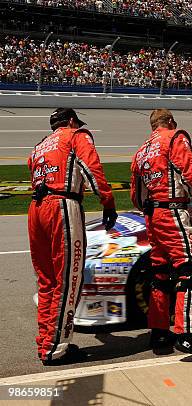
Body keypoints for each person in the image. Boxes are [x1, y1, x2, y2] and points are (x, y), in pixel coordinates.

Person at [28, 108, 117, 365]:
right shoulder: (77, 135)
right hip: (62, 206)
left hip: (36, 209)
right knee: (68, 279)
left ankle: (46, 341)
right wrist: (107, 202)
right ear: (70, 121)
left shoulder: (39, 146)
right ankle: (55, 349)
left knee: (47, 281)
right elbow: (92, 169)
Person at [131, 109, 192, 362]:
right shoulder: (175, 138)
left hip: (152, 217)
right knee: (189, 269)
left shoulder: (141, 150)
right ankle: (187, 333)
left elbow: (136, 195)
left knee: (159, 273)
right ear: (169, 122)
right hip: (172, 212)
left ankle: (159, 333)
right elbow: (190, 172)